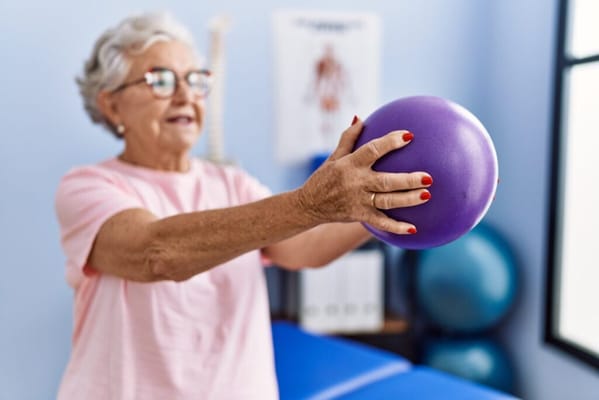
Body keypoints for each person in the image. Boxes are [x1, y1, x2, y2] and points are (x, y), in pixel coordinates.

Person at [54, 11, 433, 400]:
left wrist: (381, 200)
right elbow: (157, 253)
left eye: (195, 79)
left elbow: (304, 247)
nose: (186, 95)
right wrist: (310, 203)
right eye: (161, 80)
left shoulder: (232, 183)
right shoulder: (88, 187)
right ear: (111, 105)